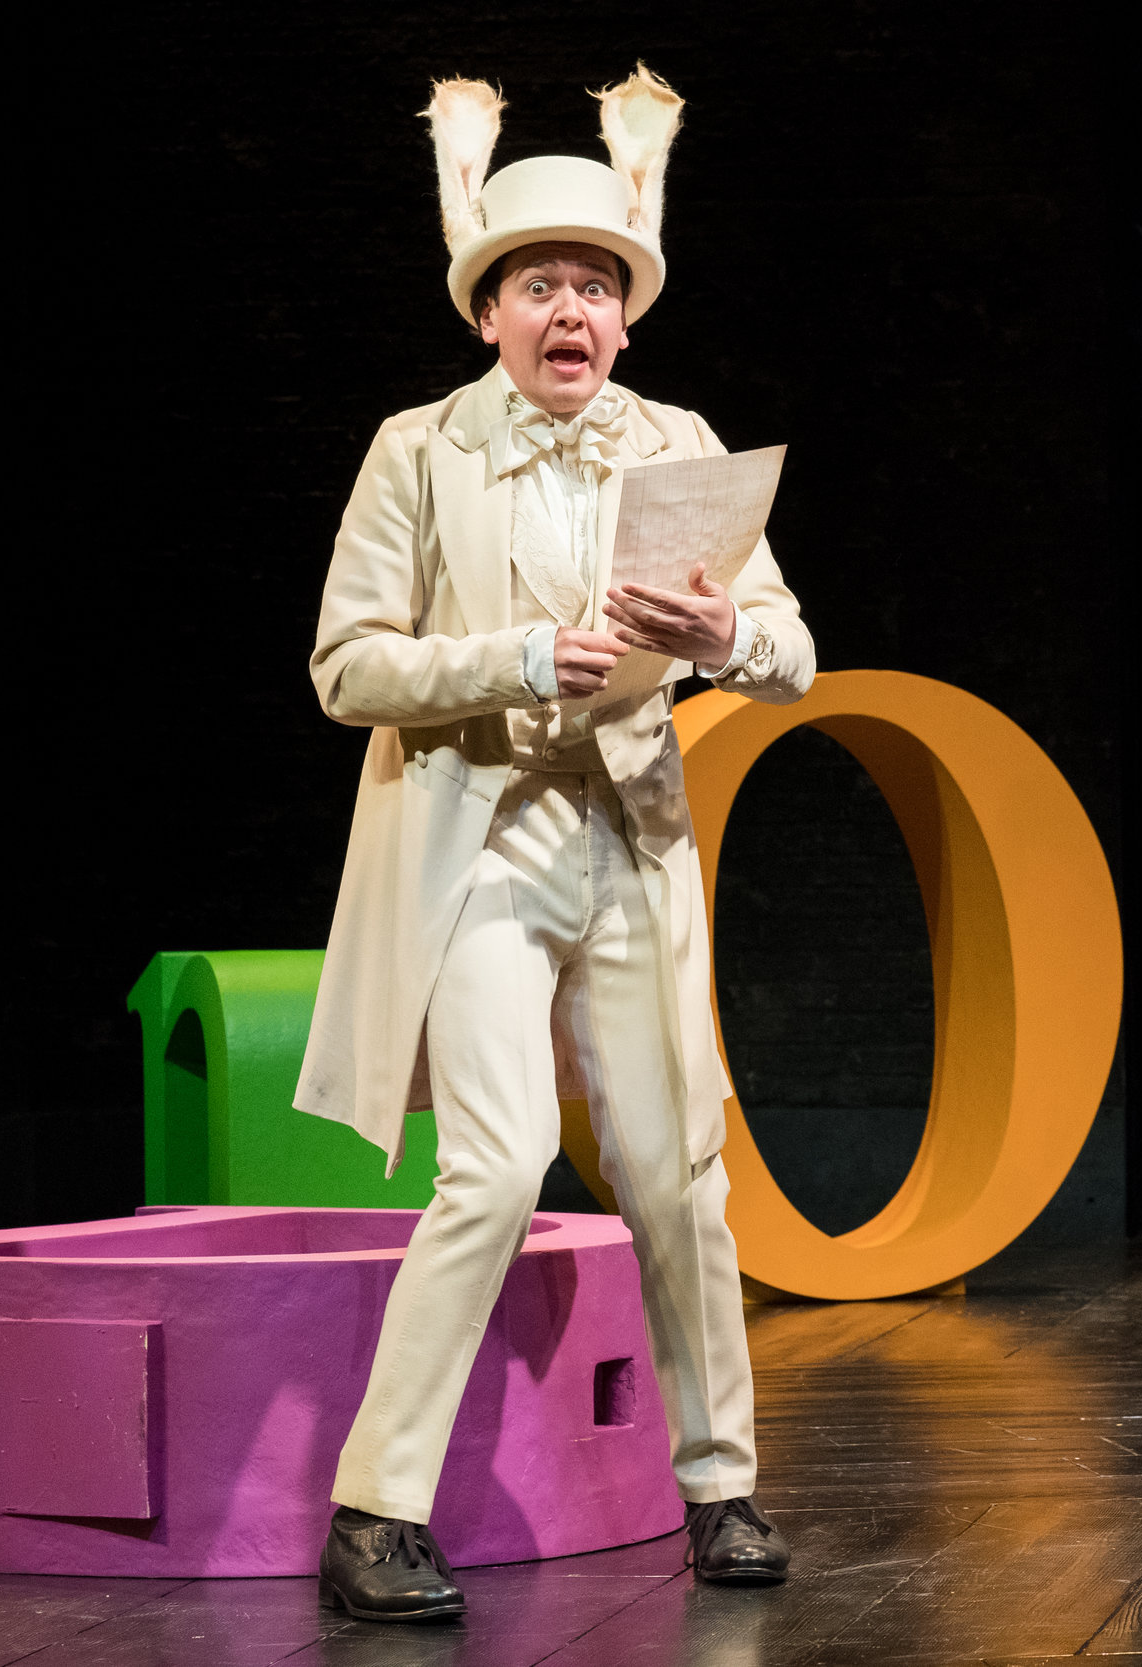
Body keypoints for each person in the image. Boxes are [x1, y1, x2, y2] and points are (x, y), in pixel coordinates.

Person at [294, 68, 816, 1621]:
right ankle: (376, 1506)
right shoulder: (420, 449)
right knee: (498, 1164)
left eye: (596, 283)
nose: (570, 309)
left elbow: (791, 643)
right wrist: (519, 657)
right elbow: (346, 667)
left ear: (626, 315)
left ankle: (720, 1486)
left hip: (633, 840)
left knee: (679, 1175)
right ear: (492, 312)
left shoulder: (681, 440)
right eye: (541, 285)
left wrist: (728, 630)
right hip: (479, 846)